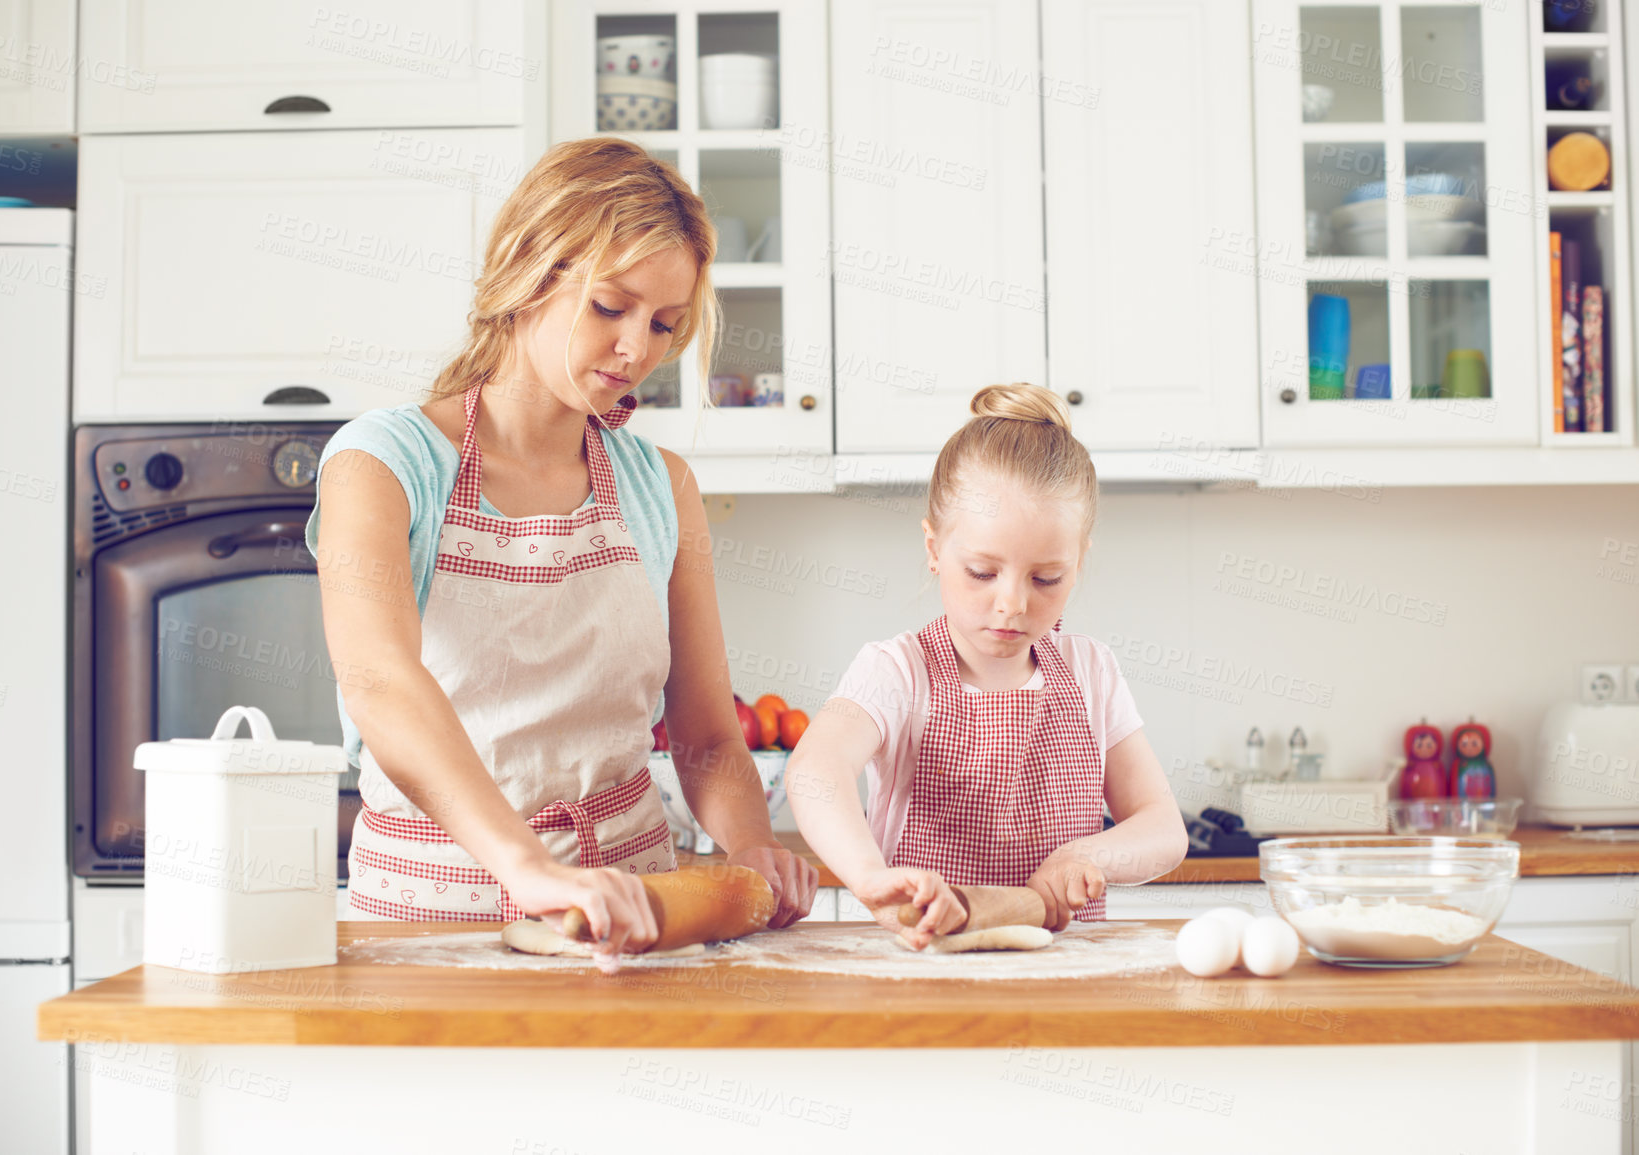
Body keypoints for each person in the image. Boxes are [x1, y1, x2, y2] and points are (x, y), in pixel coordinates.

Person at [306, 138, 817, 956]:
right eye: (610, 307)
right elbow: (379, 679)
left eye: (663, 324)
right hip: (428, 911)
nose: (637, 350)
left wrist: (751, 847)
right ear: (526, 273)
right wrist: (529, 866)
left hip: (635, 909)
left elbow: (706, 734)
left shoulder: (660, 486)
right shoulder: (384, 464)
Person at [787, 384, 1186, 948]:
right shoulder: (898, 672)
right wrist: (871, 878)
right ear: (933, 547)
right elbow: (815, 772)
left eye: (1047, 578)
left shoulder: (1090, 671)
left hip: (1066, 971)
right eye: (981, 571)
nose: (1013, 604)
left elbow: (1163, 826)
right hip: (928, 969)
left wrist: (1084, 857)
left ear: (1079, 563)